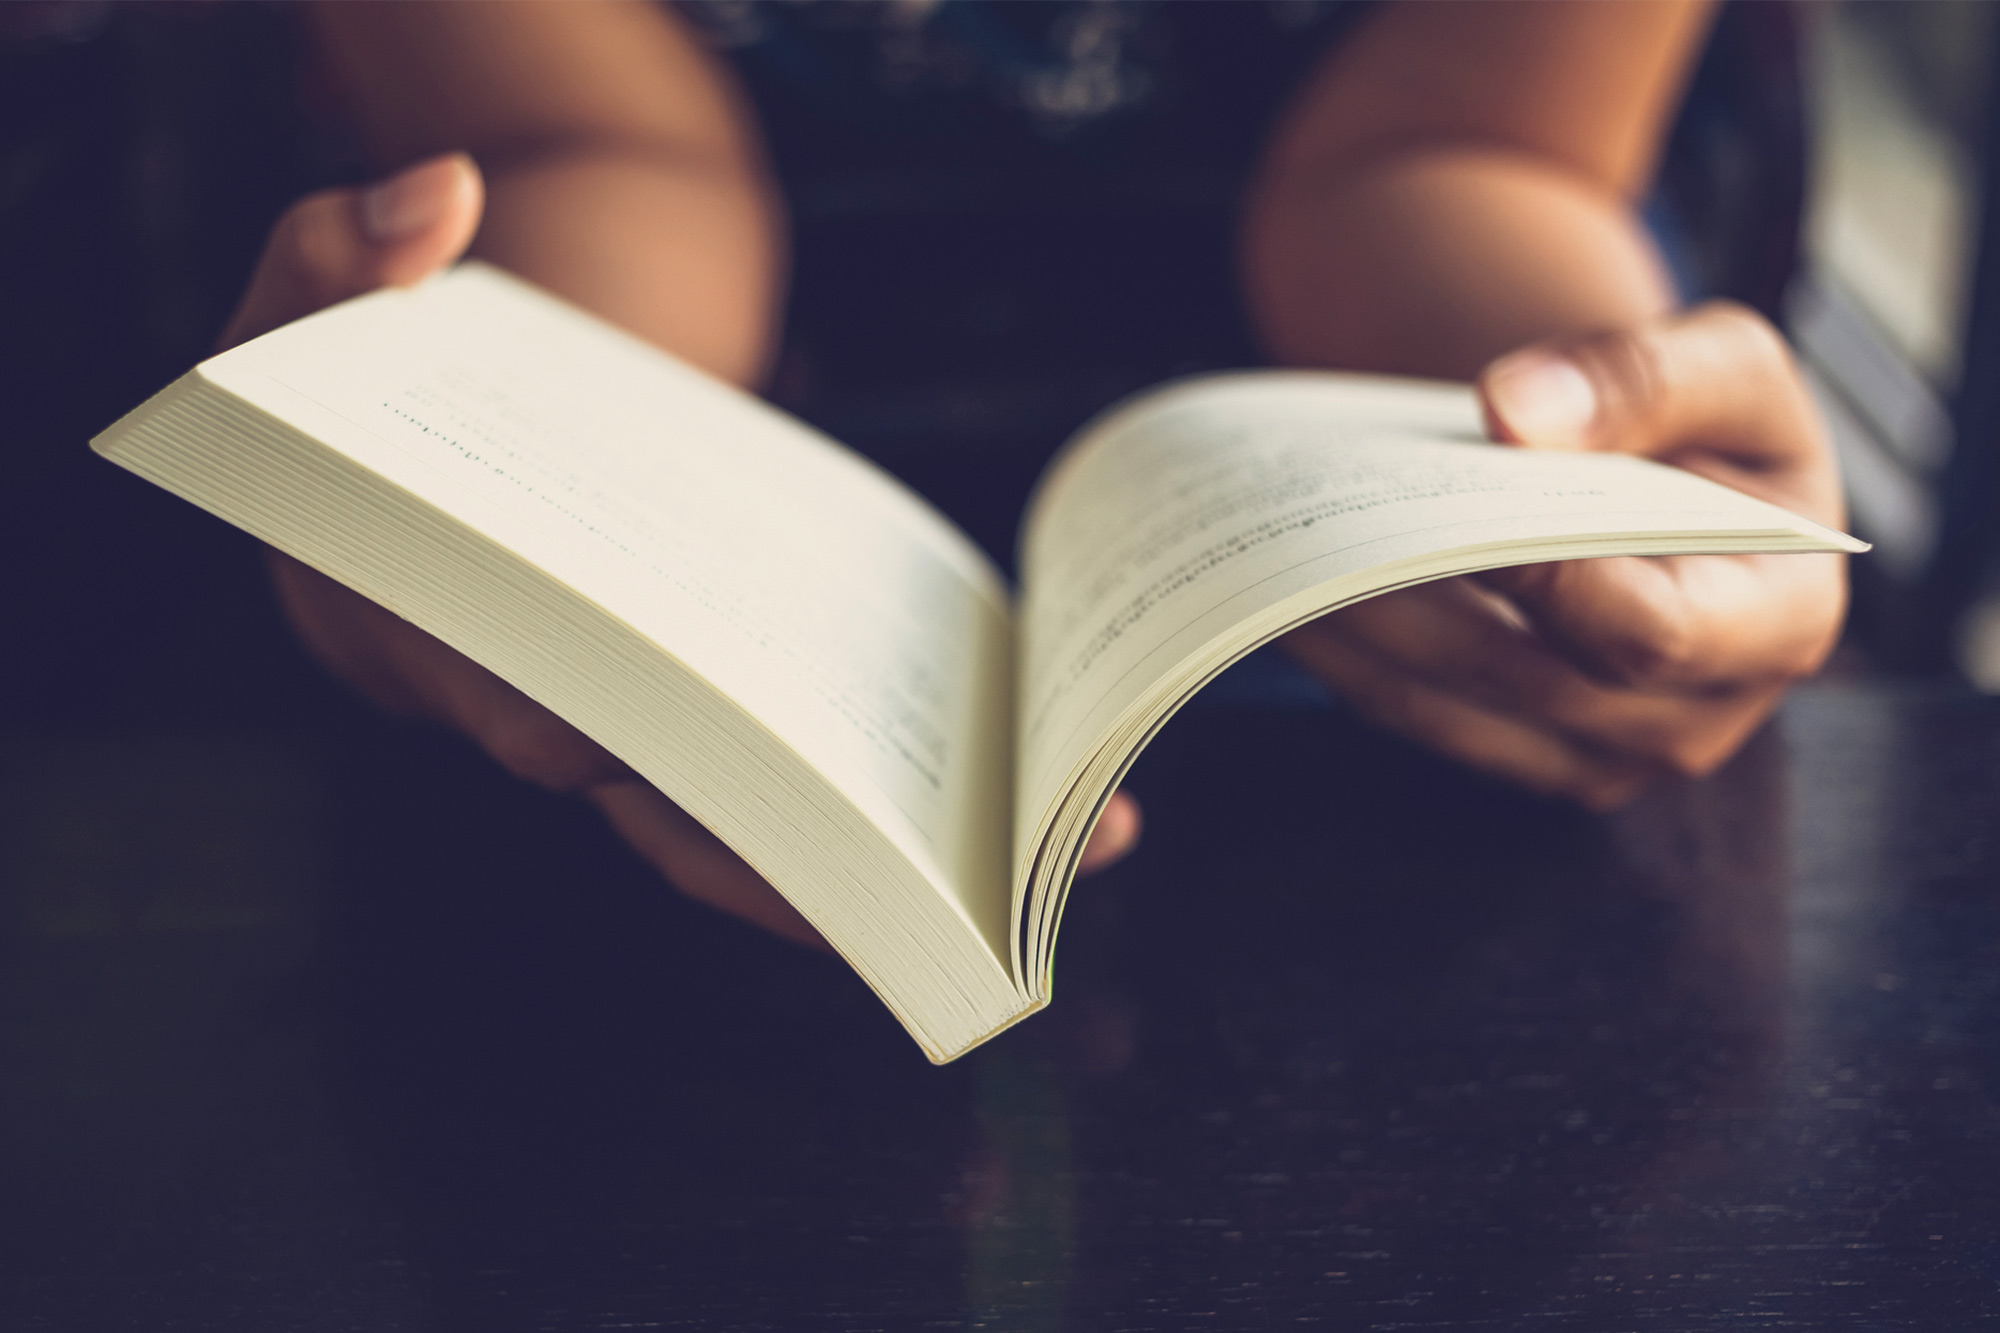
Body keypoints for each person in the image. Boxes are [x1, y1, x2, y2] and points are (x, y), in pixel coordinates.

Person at [217, 0, 1847, 945]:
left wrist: (1606, 473)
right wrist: (499, 479)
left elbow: (1468, 148)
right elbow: (597, 147)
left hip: (1376, 706)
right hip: (656, 738)